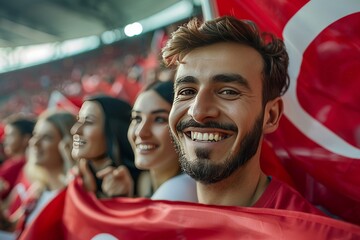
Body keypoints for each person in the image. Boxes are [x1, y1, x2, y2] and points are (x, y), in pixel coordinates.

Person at [161, 16, 325, 215]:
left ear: (271, 115)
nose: (198, 111)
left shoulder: (311, 233)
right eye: (187, 91)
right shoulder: (159, 222)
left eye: (228, 92)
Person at [0, 109, 76, 238]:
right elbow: (12, 228)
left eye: (46, 137)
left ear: (67, 144)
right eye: (35, 135)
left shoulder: (73, 195)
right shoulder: (38, 190)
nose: (34, 143)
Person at [128, 80, 197, 201]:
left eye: (159, 119)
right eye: (137, 118)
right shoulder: (144, 181)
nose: (140, 132)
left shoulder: (180, 189)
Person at [71, 95, 141, 198]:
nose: (75, 130)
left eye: (89, 122)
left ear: (114, 130)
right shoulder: (77, 176)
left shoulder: (143, 181)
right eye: (78, 120)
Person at [0, 116, 35, 199]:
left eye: (10, 135)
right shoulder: (12, 161)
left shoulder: (20, 164)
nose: (4, 140)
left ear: (25, 139)